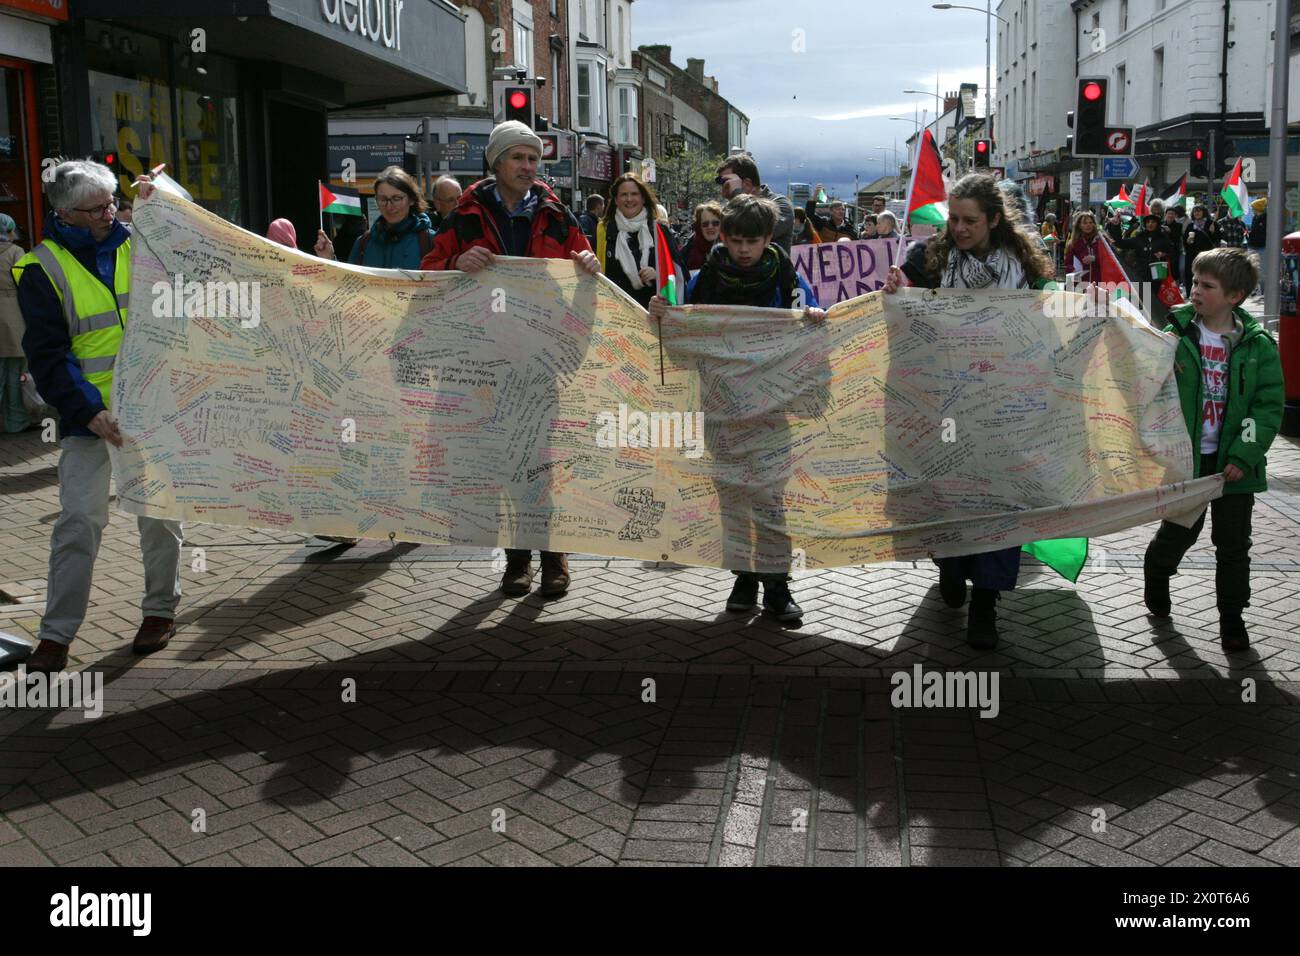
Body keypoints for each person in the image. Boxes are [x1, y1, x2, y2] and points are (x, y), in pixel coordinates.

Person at [11, 159, 183, 674]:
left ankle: (159, 612)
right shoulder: (38, 268)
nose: (110, 214)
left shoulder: (141, 239)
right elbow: (48, 354)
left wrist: (168, 199)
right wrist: (90, 412)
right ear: (65, 214)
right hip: (92, 417)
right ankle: (56, 636)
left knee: (159, 517)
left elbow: (201, 246)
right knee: (79, 523)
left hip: (152, 408)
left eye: (112, 203)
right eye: (96, 209)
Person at [420, 120, 600, 598]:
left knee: (540, 460)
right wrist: (455, 265)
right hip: (484, 359)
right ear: (496, 162)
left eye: (534, 159)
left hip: (538, 358)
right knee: (501, 461)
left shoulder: (558, 214)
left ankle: (553, 557)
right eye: (518, 157)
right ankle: (517, 561)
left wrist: (586, 265)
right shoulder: (463, 215)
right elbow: (429, 274)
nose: (527, 166)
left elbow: (583, 270)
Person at [882, 173, 1056, 649]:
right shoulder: (930, 257)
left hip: (1005, 404)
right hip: (945, 403)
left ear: (994, 220)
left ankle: (987, 604)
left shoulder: (1024, 263)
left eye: (969, 221)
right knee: (950, 494)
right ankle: (951, 566)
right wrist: (897, 287)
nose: (958, 228)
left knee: (1000, 500)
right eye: (953, 218)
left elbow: (1053, 314)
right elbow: (901, 306)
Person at [648, 195, 824, 624]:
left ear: (768, 239)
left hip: (771, 407)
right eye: (737, 240)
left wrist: (816, 317)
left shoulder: (786, 276)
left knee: (769, 497)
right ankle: (744, 576)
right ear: (723, 237)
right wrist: (662, 317)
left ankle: (777, 586)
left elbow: (811, 324)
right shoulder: (703, 279)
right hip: (721, 405)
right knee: (731, 495)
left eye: (754, 241)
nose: (744, 249)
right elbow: (681, 343)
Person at [1143, 248, 1283, 652]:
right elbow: (1148, 384)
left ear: (1234, 296)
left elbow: (1267, 405)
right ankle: (1157, 569)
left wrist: (1243, 455)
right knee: (1180, 530)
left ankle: (1233, 620)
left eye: (1207, 286)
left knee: (1234, 544)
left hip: (1238, 466)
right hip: (1190, 460)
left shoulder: (1258, 346)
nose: (1195, 292)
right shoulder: (1177, 334)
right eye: (1195, 283)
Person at [315, 165, 435, 269]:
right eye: (383, 199)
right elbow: (349, 287)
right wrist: (329, 259)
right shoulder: (363, 242)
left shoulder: (430, 241)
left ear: (412, 199)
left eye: (396, 199)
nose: (389, 206)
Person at [594, 172, 684, 309]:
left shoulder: (659, 230)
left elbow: (679, 274)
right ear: (616, 200)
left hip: (653, 314)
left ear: (643, 198)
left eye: (634, 194)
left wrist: (658, 275)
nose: (629, 199)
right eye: (624, 195)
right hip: (616, 313)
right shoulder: (604, 230)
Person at [716, 152, 794, 252]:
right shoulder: (730, 209)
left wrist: (737, 194)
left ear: (747, 184)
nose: (724, 193)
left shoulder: (781, 205)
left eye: (727, 185)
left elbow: (753, 230)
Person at [0, 212, 31, 433]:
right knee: (14, 373)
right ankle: (15, 421)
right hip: (12, 317)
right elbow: (26, 284)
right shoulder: (15, 252)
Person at [1182, 204, 1217, 293]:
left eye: (1199, 211)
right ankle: (1191, 292)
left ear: (1204, 212)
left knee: (1206, 273)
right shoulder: (1190, 225)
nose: (1196, 213)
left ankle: (1206, 292)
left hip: (1206, 254)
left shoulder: (1211, 223)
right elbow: (1185, 241)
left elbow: (1217, 239)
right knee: (1190, 273)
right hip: (1192, 254)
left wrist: (1213, 232)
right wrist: (1188, 241)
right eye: (1195, 211)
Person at [1065, 210, 1104, 282]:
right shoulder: (1073, 243)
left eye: (1090, 222)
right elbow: (1067, 264)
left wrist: (1095, 258)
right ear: (1079, 225)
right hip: (1080, 284)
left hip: (1099, 282)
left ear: (1094, 224)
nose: (1088, 225)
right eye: (1085, 223)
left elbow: (1108, 260)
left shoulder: (1102, 241)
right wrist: (1072, 270)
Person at [684, 201, 724, 270]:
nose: (710, 227)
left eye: (715, 223)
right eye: (705, 224)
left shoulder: (730, 249)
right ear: (699, 227)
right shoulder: (687, 252)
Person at [1247, 197, 1268, 296]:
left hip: (1262, 247)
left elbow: (1263, 233)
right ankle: (1256, 290)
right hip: (1253, 246)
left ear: (1257, 208)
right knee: (1253, 269)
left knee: (1262, 271)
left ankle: (1263, 292)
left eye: (1253, 208)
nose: (1251, 210)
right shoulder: (1255, 218)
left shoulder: (1266, 218)